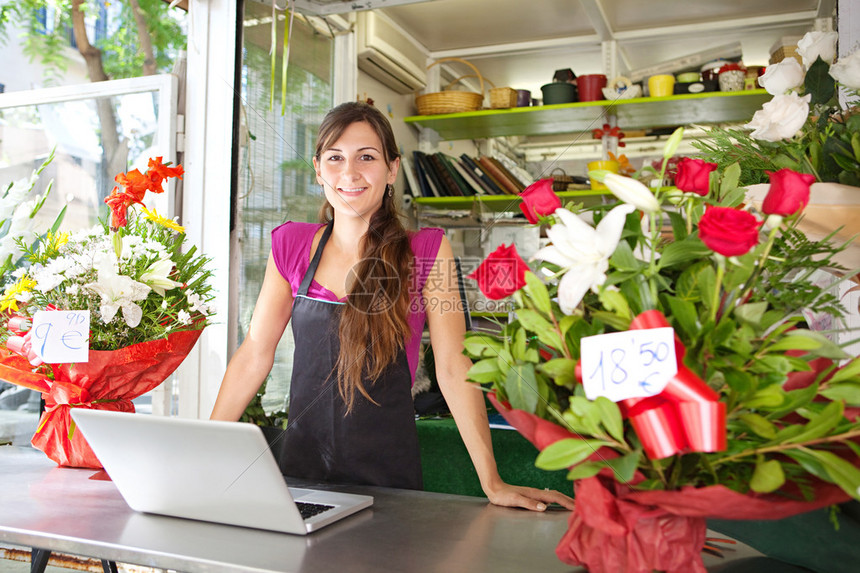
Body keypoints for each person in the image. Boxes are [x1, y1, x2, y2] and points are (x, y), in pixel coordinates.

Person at [210, 101, 574, 512]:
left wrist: (491, 482)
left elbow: (454, 366)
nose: (349, 172)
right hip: (302, 477)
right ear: (317, 170)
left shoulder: (427, 251)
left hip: (389, 484)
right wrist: (206, 452)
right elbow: (254, 354)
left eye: (366, 157)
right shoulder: (291, 244)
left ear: (392, 169)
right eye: (335, 158)